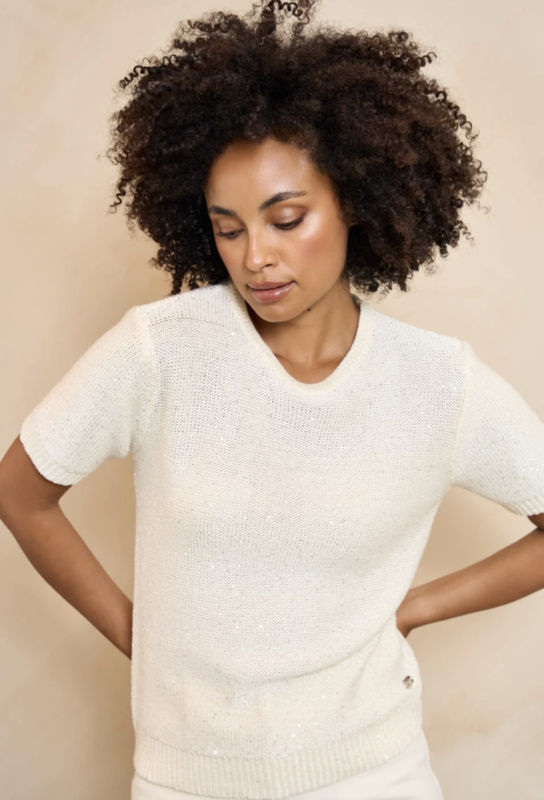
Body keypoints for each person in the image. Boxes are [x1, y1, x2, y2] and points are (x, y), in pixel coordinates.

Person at [1, 0, 544, 798]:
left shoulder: (437, 383)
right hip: (185, 781)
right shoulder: (160, 350)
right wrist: (141, 639)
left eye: (286, 219)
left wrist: (415, 608)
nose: (256, 256)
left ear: (355, 199)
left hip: (375, 775)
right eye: (228, 228)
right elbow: (20, 493)